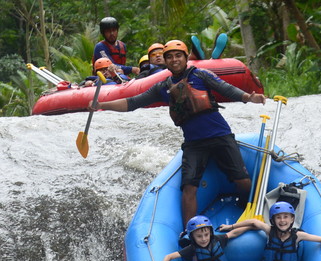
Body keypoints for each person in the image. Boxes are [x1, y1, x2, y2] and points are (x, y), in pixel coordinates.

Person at [90, 39, 265, 227]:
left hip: (220, 135)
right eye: (170, 57)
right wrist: (101, 105)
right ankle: (189, 231)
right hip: (194, 143)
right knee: (189, 188)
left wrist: (249, 97)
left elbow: (226, 88)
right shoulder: (162, 87)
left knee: (243, 180)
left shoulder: (201, 75)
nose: (174, 60)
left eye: (178, 56)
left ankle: (246, 210)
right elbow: (132, 103)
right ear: (165, 61)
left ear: (185, 58)